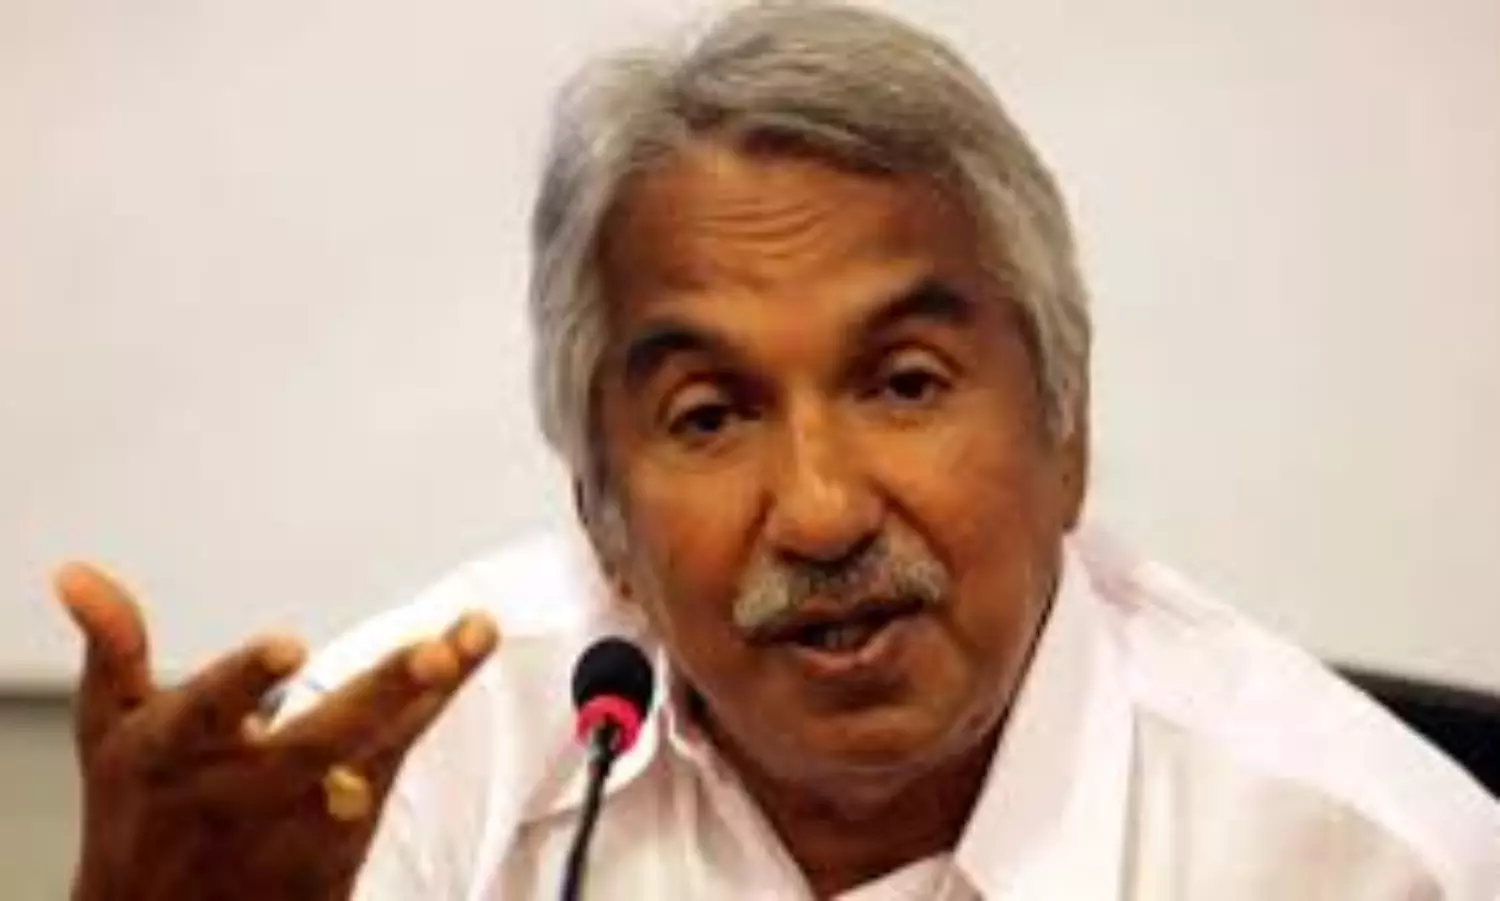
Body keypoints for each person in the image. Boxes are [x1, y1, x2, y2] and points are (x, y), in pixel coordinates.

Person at [54, 2, 1499, 899]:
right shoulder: (391, 781)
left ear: (1067, 429)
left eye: (906, 384)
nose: (818, 512)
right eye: (709, 415)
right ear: (600, 520)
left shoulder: (1368, 861)